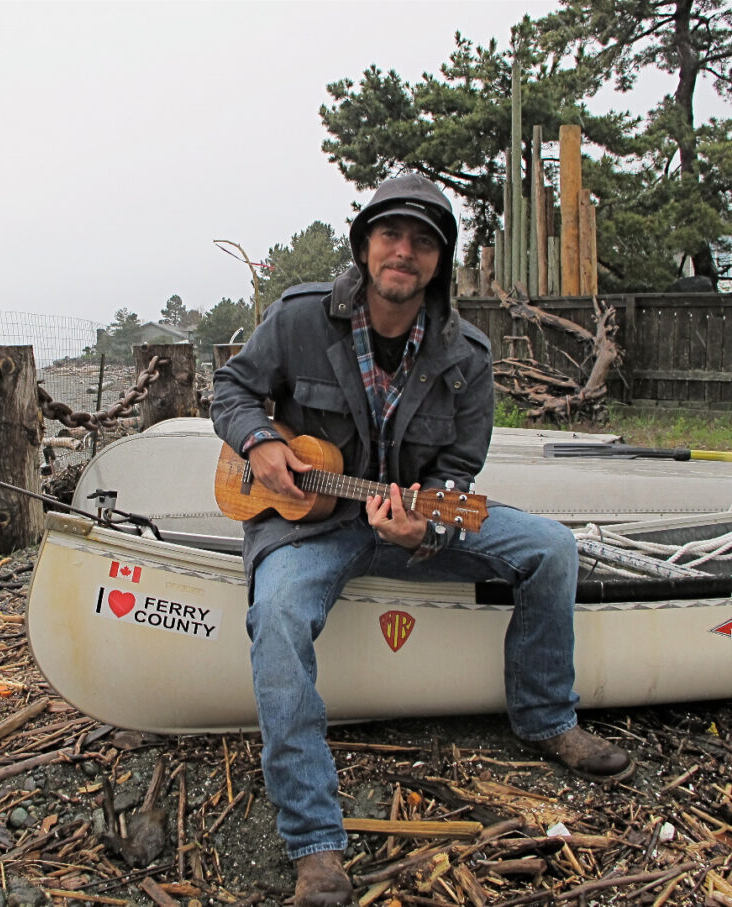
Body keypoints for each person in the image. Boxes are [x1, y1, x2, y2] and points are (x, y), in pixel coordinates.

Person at [209, 173, 633, 907]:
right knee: (276, 615)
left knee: (550, 549)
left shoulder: (465, 355)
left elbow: (458, 469)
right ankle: (315, 844)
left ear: (439, 261)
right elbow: (231, 391)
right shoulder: (301, 317)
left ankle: (547, 718)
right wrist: (257, 445)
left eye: (423, 241)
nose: (404, 251)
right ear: (366, 245)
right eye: (391, 235)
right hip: (310, 527)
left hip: (408, 517)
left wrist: (427, 526)